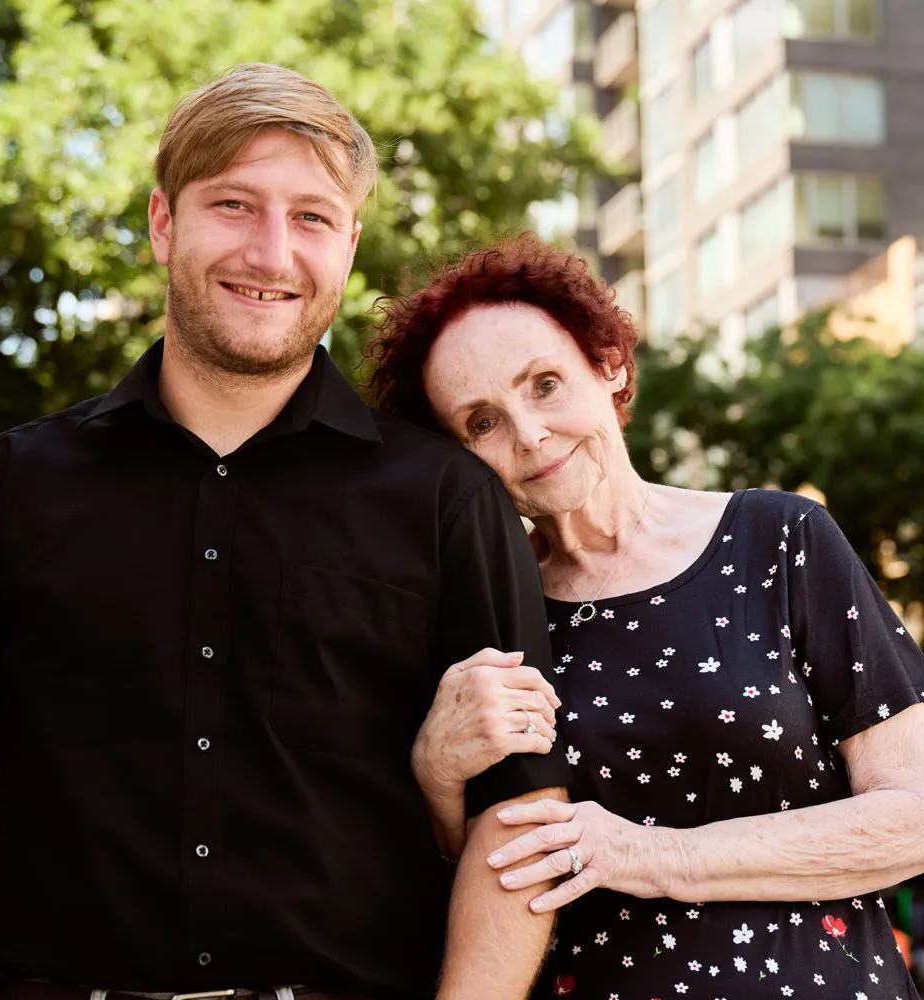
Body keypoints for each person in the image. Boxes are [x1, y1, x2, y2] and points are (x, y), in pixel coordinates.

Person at [0, 67, 572, 1000]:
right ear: (162, 223)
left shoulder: (445, 498)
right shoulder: (10, 486)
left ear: (348, 246)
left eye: (311, 217)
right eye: (234, 204)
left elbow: (520, 810)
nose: (272, 254)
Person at [366, 232, 924, 999]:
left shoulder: (780, 539)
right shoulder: (482, 619)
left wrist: (644, 855)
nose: (530, 434)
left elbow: (915, 816)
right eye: (483, 422)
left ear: (610, 366)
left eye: (545, 384)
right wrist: (434, 778)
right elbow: (472, 889)